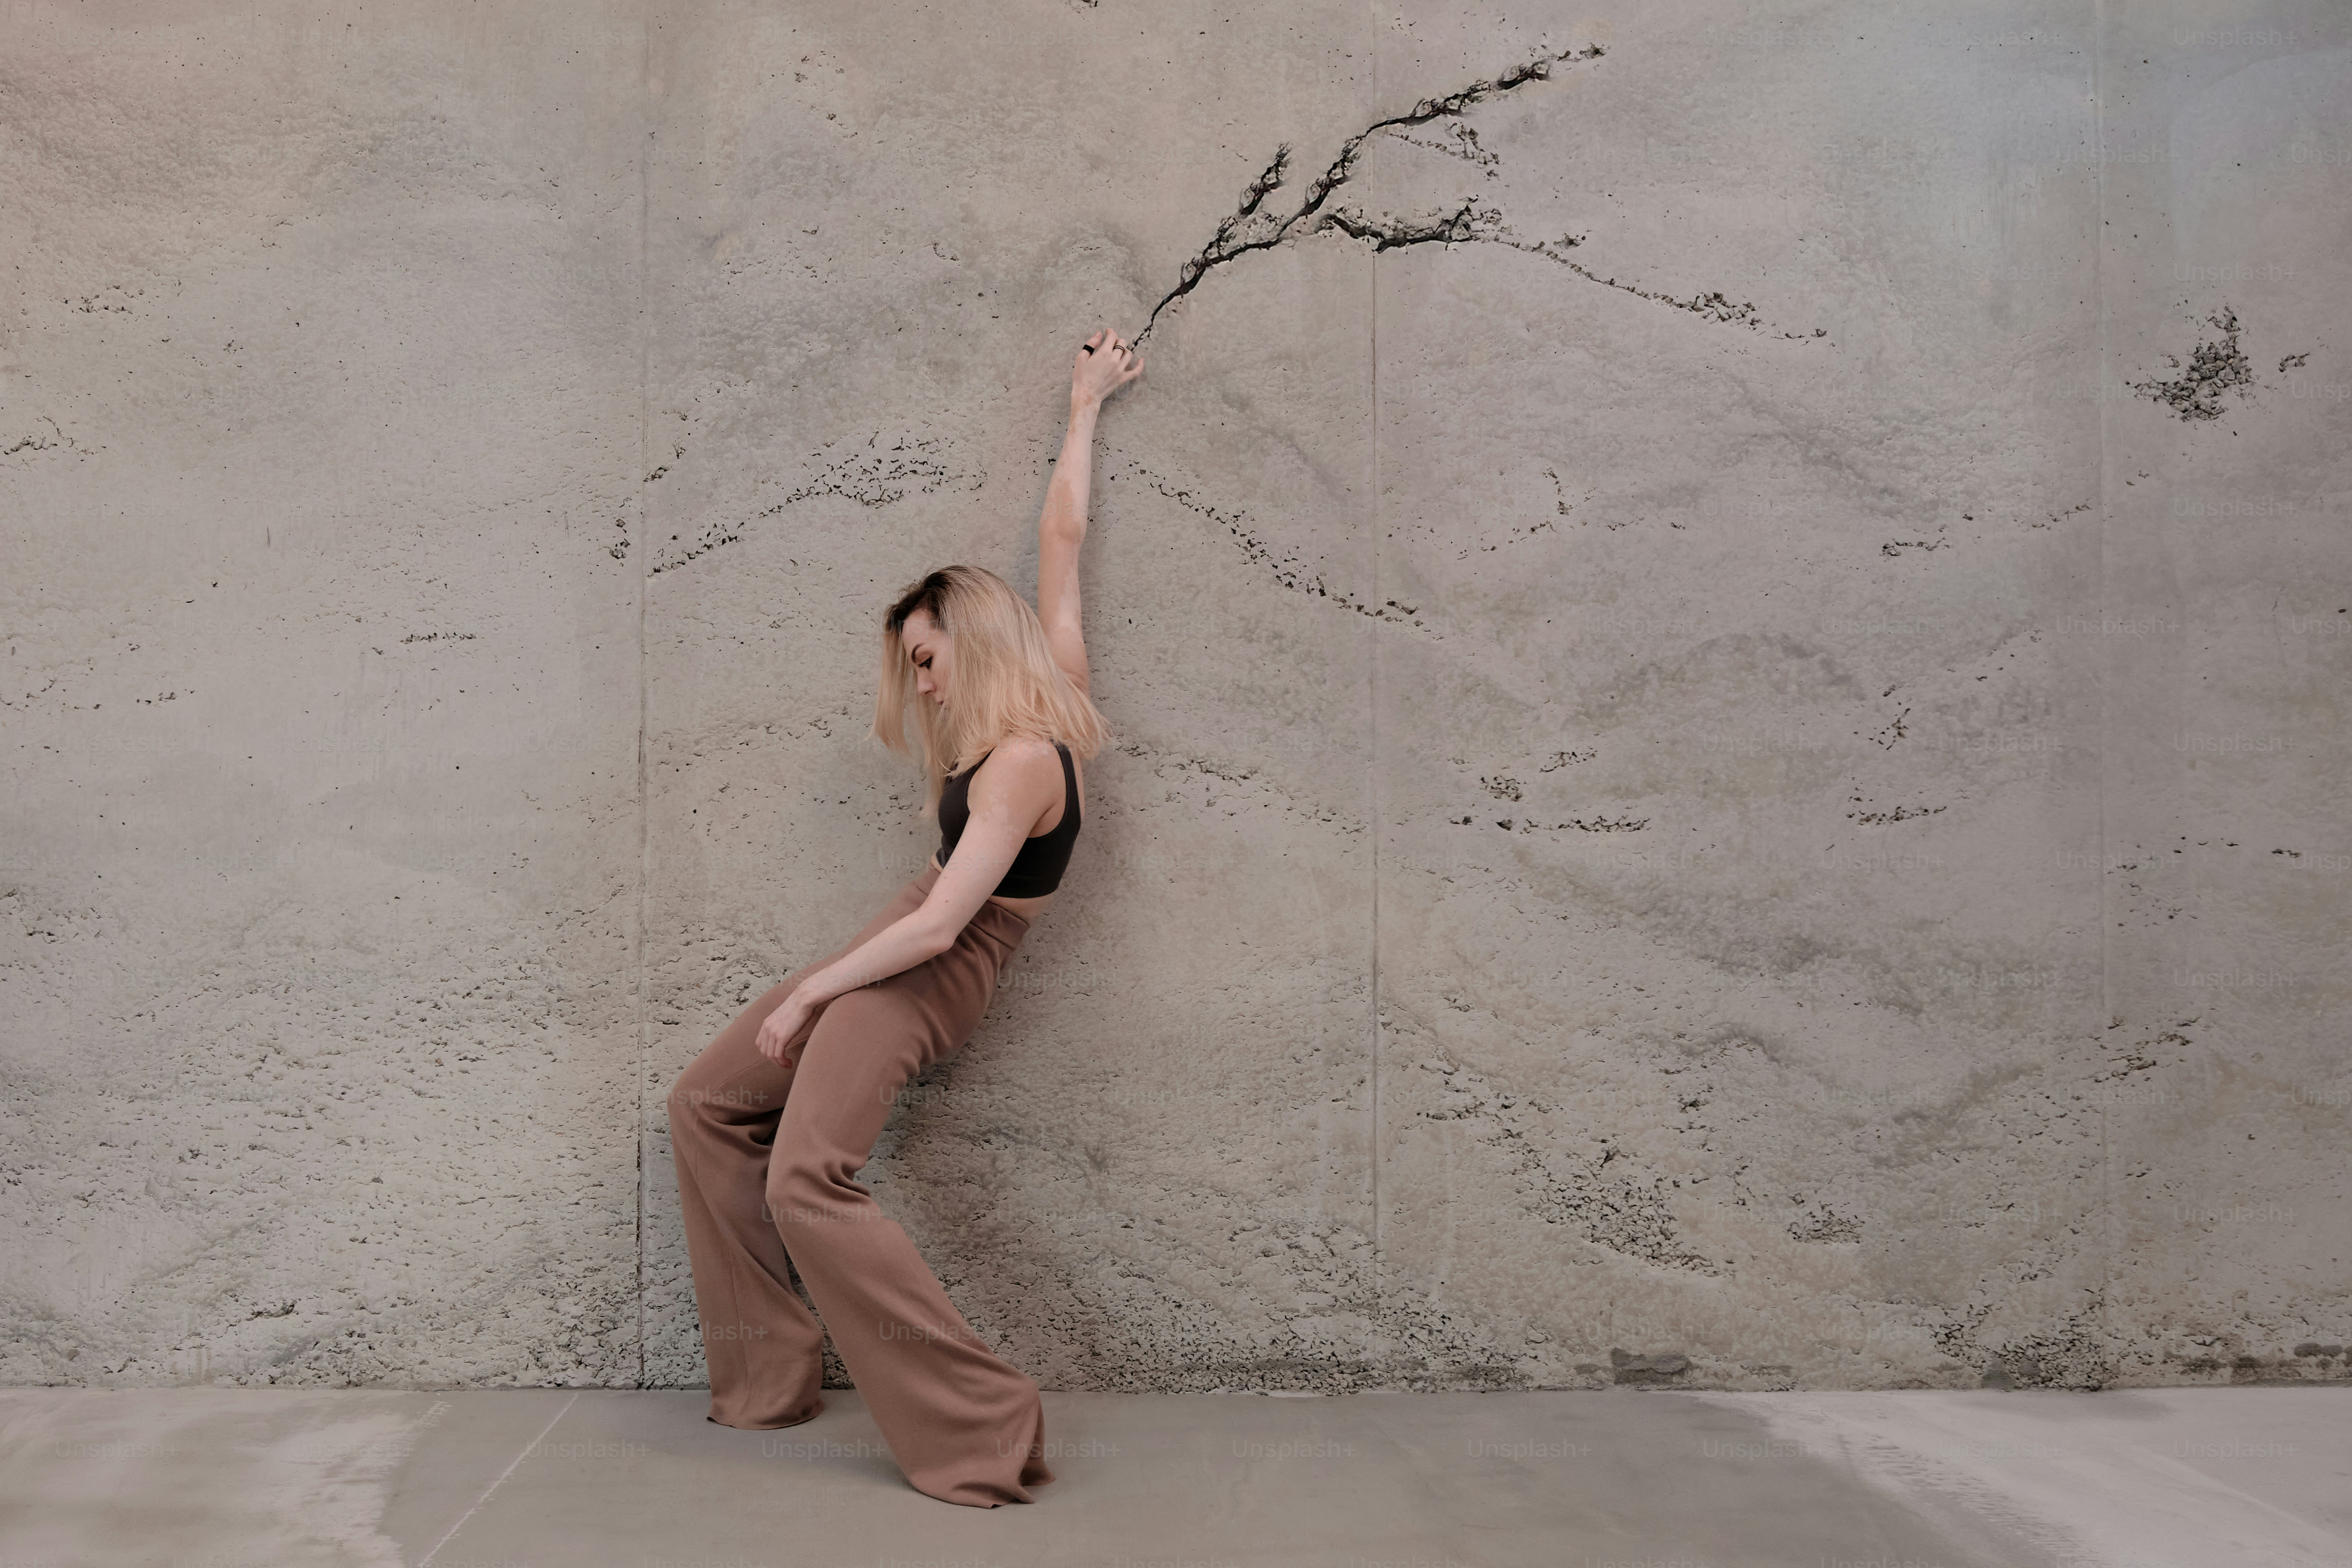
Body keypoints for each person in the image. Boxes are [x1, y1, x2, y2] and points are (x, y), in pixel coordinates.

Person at [667, 328, 1142, 1507]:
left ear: (970, 639)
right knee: (708, 1106)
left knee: (807, 1180)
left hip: (938, 965)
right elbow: (1063, 537)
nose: (921, 687)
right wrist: (1085, 405)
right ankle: (769, 1377)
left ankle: (984, 1424)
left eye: (927, 660)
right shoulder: (1059, 682)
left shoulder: (1026, 761)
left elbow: (939, 934)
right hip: (908, 928)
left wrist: (816, 993)